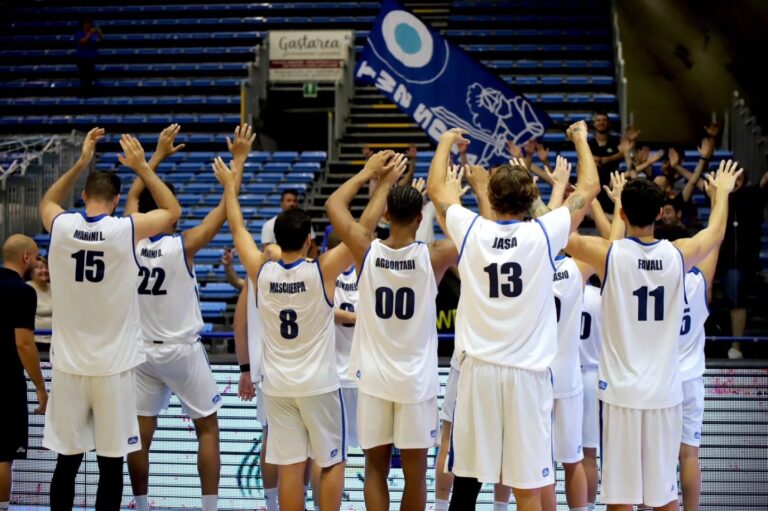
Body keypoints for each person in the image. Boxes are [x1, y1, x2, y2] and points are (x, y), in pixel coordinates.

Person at [427, 120, 600, 511]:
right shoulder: (542, 234)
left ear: (490, 194)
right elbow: (587, 189)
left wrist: (445, 143)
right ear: (529, 200)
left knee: (466, 483)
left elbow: (437, 189)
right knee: (527, 489)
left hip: (479, 373)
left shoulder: (470, 229)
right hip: (526, 377)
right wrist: (581, 141)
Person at [215, 150, 402, 511]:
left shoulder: (261, 270)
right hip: (318, 384)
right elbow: (362, 229)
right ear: (308, 241)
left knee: (289, 468)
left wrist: (230, 184)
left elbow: (236, 227)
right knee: (331, 462)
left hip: (278, 386)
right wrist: (374, 179)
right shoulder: (322, 271)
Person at [565, 160, 742, 510]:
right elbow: (716, 233)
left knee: (621, 499)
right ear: (661, 213)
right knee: (664, 496)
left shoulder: (609, 256)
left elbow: (561, 235)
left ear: (623, 212)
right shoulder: (679, 256)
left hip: (621, 395)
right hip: (664, 393)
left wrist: (584, 198)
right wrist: (721, 193)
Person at [39, 128, 181, 511]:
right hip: (114, 367)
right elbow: (173, 213)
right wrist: (144, 167)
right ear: (118, 201)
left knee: (66, 463)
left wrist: (82, 161)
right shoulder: (125, 229)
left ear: (84, 196)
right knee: (111, 464)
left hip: (69, 365)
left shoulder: (63, 225)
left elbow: (47, 201)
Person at [123, 123, 251, 511]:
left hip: (142, 352)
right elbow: (224, 210)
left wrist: (151, 160)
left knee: (140, 436)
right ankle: (209, 508)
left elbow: (132, 198)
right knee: (207, 427)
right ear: (169, 215)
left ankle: (142, 505)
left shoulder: (126, 237)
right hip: (181, 350)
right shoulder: (185, 243)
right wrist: (239, 162)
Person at [327, 150, 457, 511]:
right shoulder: (434, 255)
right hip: (415, 381)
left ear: (385, 214)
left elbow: (334, 205)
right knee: (415, 475)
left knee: (374, 468)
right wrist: (449, 197)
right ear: (420, 218)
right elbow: (470, 235)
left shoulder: (365, 250)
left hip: (373, 378)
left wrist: (371, 175)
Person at [677, 181, 722, 511]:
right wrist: (719, 197)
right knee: (690, 455)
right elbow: (715, 237)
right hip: (691, 379)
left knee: (656, 460)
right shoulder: (699, 283)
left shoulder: (653, 280)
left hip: (659, 380)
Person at [0, 234, 47, 511]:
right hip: (5, 380)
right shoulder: (23, 292)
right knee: (3, 455)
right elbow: (24, 343)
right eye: (37, 256)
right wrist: (40, 388)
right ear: (26, 257)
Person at [718, 165, 768, 359]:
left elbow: (765, 180)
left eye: (739, 177)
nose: (735, 179)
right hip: (721, 261)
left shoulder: (753, 196)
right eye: (732, 176)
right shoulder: (719, 199)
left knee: (736, 287)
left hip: (742, 264)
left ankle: (736, 346)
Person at [579, 280, 602, 511]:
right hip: (592, 377)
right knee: (588, 454)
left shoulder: (553, 286)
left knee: (548, 455)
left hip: (561, 376)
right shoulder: (601, 296)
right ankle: (588, 508)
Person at [589, 112, 625, 210]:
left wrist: (606, 159)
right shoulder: (589, 143)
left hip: (613, 181)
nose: (601, 123)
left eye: (604, 120)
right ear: (594, 123)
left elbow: (624, 152)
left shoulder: (616, 140)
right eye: (598, 120)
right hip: (595, 182)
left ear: (608, 123)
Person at [27, 256, 53, 348]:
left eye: (46, 267)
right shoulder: (26, 288)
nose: (44, 270)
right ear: (31, 272)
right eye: (40, 268)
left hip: (54, 340)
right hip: (35, 341)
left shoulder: (55, 288)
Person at [73, 19, 102, 96]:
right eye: (86, 24)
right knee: (84, 77)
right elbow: (82, 41)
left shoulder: (93, 34)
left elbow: (99, 41)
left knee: (90, 77)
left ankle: (90, 93)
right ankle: (82, 93)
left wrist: (99, 33)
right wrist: (89, 34)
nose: (88, 25)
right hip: (82, 59)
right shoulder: (79, 33)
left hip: (91, 58)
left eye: (89, 24)